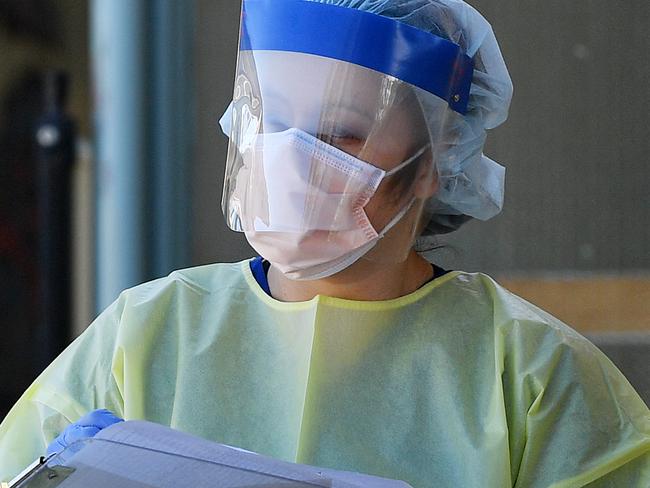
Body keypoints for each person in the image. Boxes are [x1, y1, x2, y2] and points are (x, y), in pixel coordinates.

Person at [1, 0, 649, 486]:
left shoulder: (533, 375)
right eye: (275, 121)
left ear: (434, 160)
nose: (292, 158)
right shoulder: (143, 336)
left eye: (339, 132)